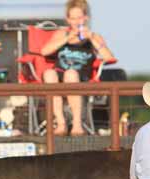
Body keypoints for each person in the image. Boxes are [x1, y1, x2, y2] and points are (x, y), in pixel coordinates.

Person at [40, 0, 114, 136]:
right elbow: (44, 51)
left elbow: (109, 58)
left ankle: (77, 124)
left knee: (71, 73)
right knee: (49, 73)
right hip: (59, 74)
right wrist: (67, 38)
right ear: (68, 20)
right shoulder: (62, 34)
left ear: (86, 18)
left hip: (81, 77)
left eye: (79, 17)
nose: (76, 22)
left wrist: (92, 39)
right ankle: (60, 123)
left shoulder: (94, 37)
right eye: (72, 18)